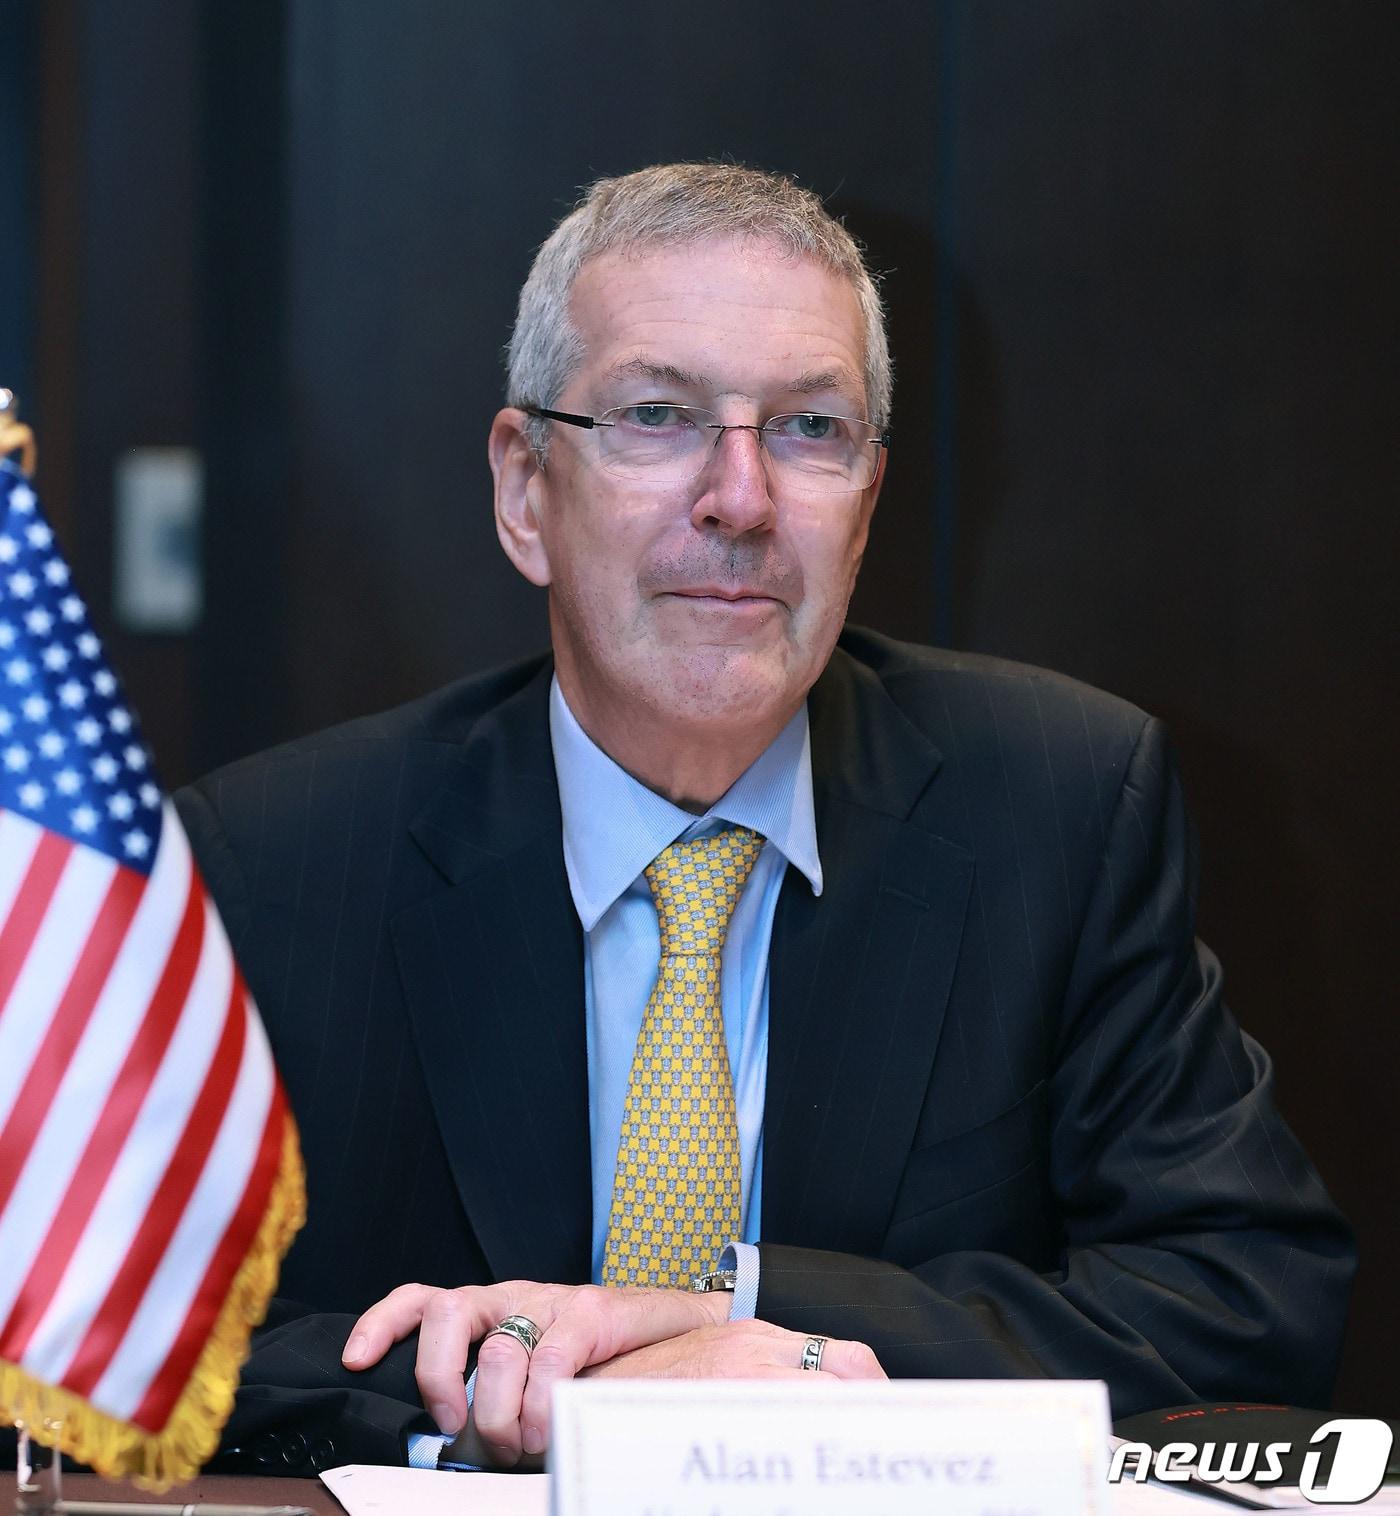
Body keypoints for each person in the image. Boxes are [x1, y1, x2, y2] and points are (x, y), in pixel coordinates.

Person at [176, 163, 1354, 1476]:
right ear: (525, 491)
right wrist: (507, 1393)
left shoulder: (1059, 808)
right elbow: (99, 1350)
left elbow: (1250, 1301)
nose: (740, 499)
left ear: (867, 505)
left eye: (807, 428)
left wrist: (750, 1328)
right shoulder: (276, 862)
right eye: (657, 415)